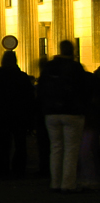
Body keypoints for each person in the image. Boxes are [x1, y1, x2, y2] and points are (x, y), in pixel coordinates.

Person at [39, 40, 91, 192]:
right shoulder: (76, 68)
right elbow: (85, 90)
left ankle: (55, 182)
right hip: (72, 113)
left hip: (51, 113)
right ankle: (68, 184)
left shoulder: (49, 67)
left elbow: (41, 89)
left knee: (55, 147)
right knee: (71, 149)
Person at [0, 50, 34, 177]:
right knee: (20, 143)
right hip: (19, 115)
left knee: (3, 144)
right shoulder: (22, 77)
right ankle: (19, 169)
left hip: (1, 115)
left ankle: (2, 169)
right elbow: (29, 98)